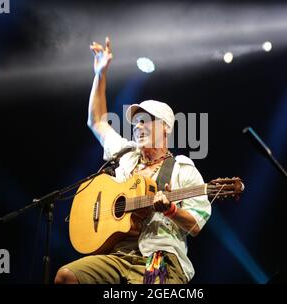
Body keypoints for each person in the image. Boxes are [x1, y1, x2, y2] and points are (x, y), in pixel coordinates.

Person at [54, 37, 211, 284]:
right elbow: (96, 121)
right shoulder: (126, 153)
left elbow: (196, 224)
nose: (138, 125)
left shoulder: (183, 168)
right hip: (117, 253)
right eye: (137, 121)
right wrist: (100, 73)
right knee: (66, 277)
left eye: (146, 120)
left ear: (166, 128)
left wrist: (170, 209)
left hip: (159, 256)